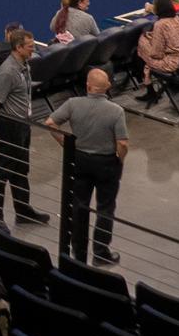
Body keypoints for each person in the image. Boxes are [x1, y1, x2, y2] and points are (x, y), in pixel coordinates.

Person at [46, 68, 128, 266]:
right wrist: (120, 159)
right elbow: (123, 143)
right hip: (107, 163)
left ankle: (78, 251)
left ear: (88, 86)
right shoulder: (116, 111)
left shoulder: (73, 104)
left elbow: (50, 123)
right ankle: (100, 252)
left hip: (80, 160)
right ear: (107, 87)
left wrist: (68, 146)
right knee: (105, 207)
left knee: (79, 206)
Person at [0, 30, 50, 228]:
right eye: (30, 46)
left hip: (22, 123)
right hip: (9, 125)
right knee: (2, 170)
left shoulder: (23, 65)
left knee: (21, 168)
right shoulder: (8, 72)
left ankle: (23, 210)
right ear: (18, 47)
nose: (34, 49)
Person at [136, 0, 179, 89]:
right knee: (147, 45)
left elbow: (156, 54)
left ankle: (146, 84)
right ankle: (148, 87)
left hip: (173, 63)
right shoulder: (178, 18)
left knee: (143, 43)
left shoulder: (160, 24)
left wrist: (147, 44)